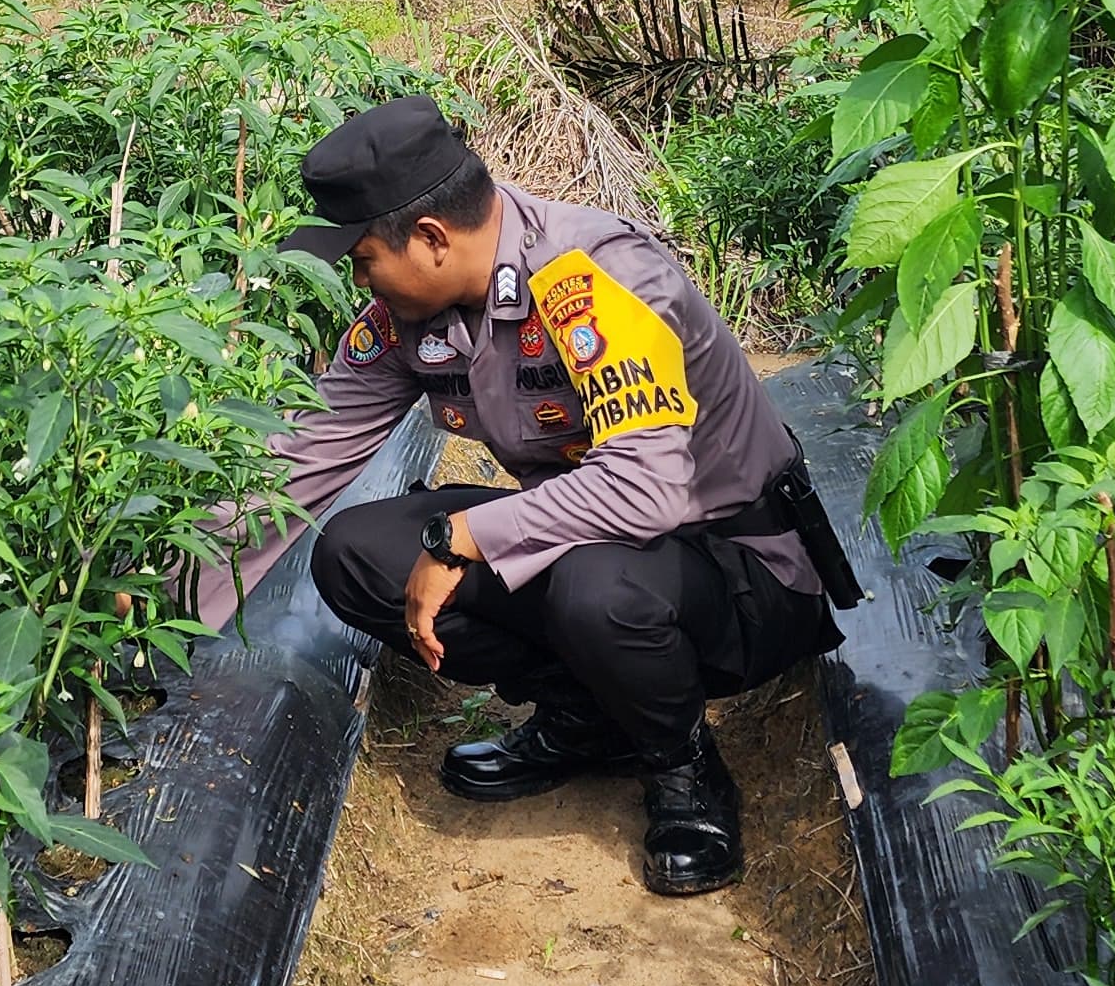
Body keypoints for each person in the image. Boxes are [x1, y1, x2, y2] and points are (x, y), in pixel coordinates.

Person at [236, 94, 860, 896]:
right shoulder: (408, 316)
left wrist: (459, 537)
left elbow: (646, 489)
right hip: (594, 550)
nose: (359, 280)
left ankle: (682, 768)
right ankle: (589, 717)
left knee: (593, 584)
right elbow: (306, 452)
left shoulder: (591, 276)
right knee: (356, 557)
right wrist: (164, 584)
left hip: (739, 573)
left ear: (429, 239)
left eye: (361, 259)